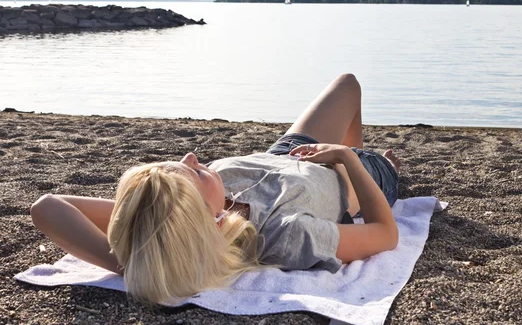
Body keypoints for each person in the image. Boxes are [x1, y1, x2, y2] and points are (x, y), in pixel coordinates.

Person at [30, 73, 401, 304]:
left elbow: (47, 205)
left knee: (347, 83)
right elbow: (385, 235)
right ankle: (380, 161)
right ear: (203, 216)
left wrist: (132, 264)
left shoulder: (164, 216)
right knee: (362, 114)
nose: (192, 156)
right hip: (347, 173)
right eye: (195, 172)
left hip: (284, 152)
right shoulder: (285, 234)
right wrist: (348, 159)